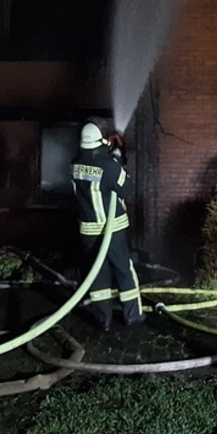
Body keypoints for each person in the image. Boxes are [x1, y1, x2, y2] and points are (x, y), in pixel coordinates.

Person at [71, 121, 143, 331]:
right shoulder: (108, 165)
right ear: (99, 140)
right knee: (123, 270)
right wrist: (118, 161)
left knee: (97, 275)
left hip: (88, 231)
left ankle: (103, 320)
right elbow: (127, 190)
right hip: (112, 229)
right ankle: (133, 317)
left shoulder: (74, 162)